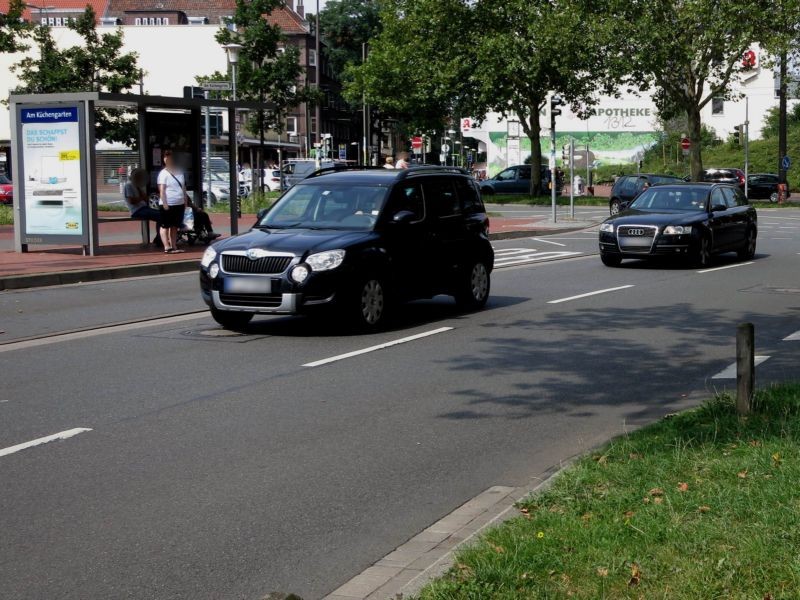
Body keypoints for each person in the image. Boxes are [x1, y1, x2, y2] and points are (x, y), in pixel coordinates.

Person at [157, 150, 189, 253]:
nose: (168, 160)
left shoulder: (180, 171)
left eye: (170, 158)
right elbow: (162, 190)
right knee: (165, 225)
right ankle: (167, 246)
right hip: (168, 203)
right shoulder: (163, 173)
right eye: (166, 158)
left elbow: (183, 188)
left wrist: (185, 201)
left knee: (175, 226)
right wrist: (165, 203)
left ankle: (174, 245)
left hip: (178, 202)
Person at [123, 167, 163, 247]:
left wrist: (140, 190)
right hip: (136, 210)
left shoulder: (137, 185)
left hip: (144, 208)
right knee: (160, 216)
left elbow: (146, 199)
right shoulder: (128, 185)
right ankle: (159, 239)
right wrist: (141, 197)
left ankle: (159, 238)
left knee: (162, 214)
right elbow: (132, 201)